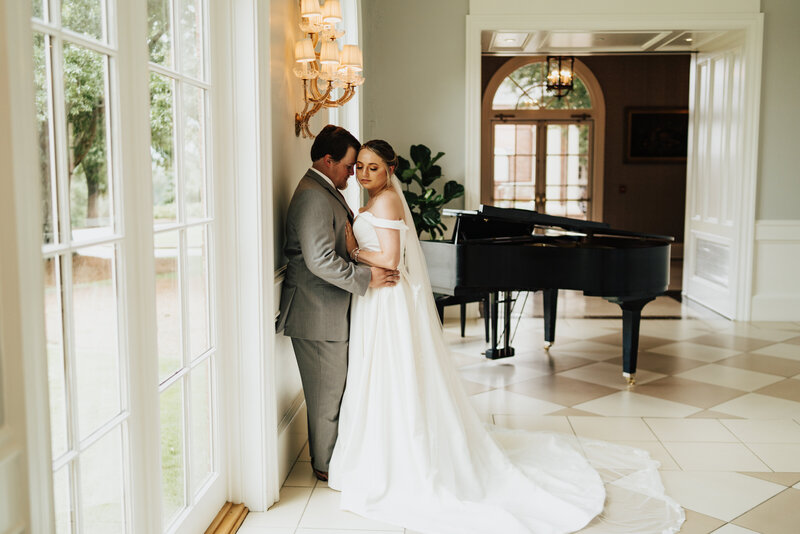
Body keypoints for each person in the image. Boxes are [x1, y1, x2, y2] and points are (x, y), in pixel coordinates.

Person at [327, 139, 685, 534]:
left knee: (392, 375)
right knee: (379, 375)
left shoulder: (388, 201)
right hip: (377, 299)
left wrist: (353, 251)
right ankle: (379, 453)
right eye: (359, 166)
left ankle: (400, 457)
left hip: (387, 300)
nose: (362, 173)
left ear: (389, 170)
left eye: (372, 167)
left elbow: (391, 260)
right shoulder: (375, 200)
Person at [276, 125, 399, 482]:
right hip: (316, 313)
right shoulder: (314, 195)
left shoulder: (325, 188)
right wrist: (367, 277)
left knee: (334, 393)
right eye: (349, 166)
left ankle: (335, 461)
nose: (354, 173)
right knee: (326, 397)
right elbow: (320, 261)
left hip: (329, 309)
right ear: (328, 161)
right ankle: (326, 467)